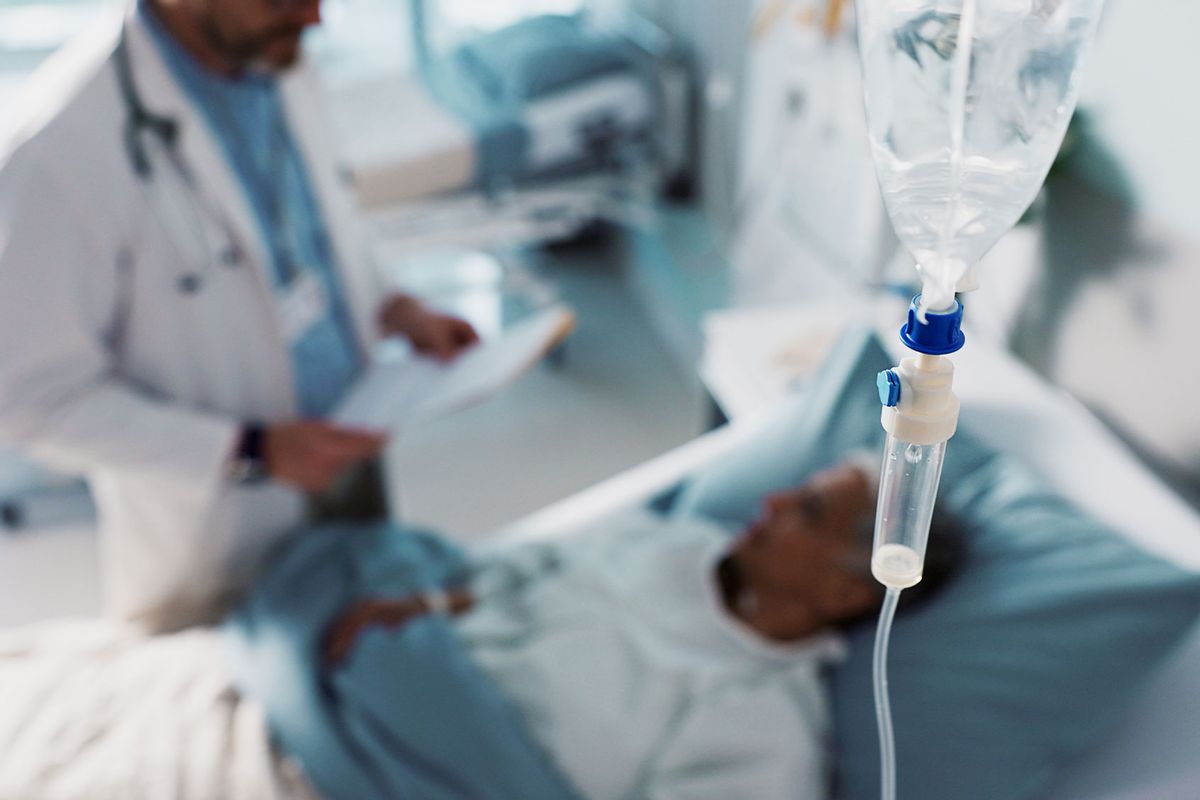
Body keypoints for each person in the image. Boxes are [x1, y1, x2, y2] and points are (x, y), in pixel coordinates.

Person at [0, 0, 479, 632]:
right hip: (217, 527)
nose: (314, 20)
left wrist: (393, 304)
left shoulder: (276, 58)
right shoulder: (56, 151)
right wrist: (250, 451)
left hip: (348, 454)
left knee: (375, 651)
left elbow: (318, 224)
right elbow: (27, 396)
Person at [315, 459, 961, 800]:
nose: (772, 503)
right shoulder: (672, 541)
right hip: (368, 687)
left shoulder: (765, 729)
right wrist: (423, 605)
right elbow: (518, 570)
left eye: (807, 510)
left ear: (845, 590)